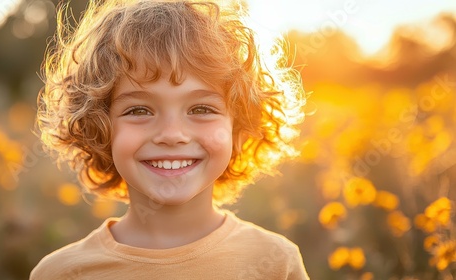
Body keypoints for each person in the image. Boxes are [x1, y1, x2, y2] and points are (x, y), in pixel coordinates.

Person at [31, 0, 309, 279]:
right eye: (139, 110)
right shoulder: (60, 273)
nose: (172, 134)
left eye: (201, 109)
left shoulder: (276, 263)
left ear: (240, 129)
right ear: (100, 129)